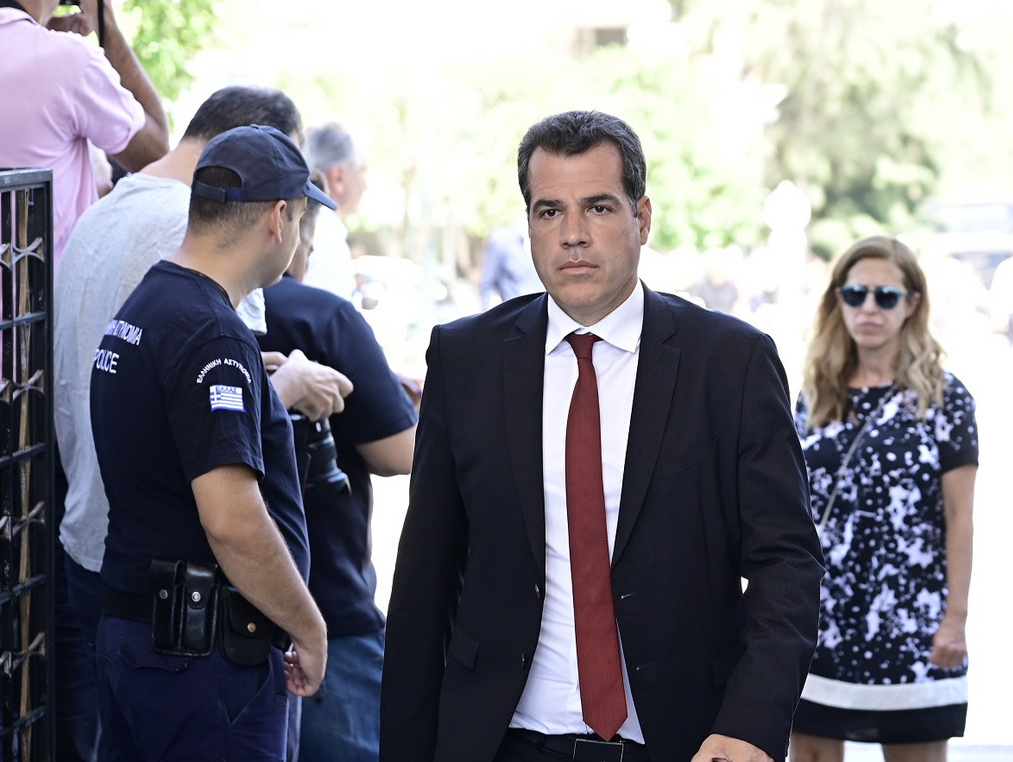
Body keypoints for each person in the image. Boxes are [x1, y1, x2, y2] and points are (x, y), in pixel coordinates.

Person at [381, 109, 824, 762]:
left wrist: (752, 722)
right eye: (550, 211)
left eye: (598, 207)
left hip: (687, 743)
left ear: (642, 219)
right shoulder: (465, 359)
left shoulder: (730, 363)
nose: (573, 235)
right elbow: (424, 581)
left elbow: (786, 562)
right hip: (503, 744)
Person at [53, 86, 351, 760]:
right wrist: (309, 626)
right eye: (303, 217)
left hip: (141, 638)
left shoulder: (149, 304)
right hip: (204, 665)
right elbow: (232, 520)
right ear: (279, 218)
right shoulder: (210, 332)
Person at [789, 236, 979, 762]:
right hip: (820, 620)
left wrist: (955, 619)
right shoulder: (815, 395)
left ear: (912, 304)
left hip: (912, 620)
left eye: (886, 296)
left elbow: (960, 517)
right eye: (855, 294)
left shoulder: (944, 397)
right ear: (838, 300)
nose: (869, 307)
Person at [259, 174, 418, 762]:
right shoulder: (323, 317)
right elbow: (400, 452)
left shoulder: (193, 313)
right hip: (327, 608)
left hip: (219, 618)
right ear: (290, 227)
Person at [0, 0, 168, 262]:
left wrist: (42, 27)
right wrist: (105, 21)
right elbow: (156, 153)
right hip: (47, 286)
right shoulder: (67, 59)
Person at [302, 122, 368, 302]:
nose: (365, 185)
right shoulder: (326, 244)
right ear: (338, 177)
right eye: (362, 172)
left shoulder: (303, 231)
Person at [479, 223, 542, 308]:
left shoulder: (549, 237)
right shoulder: (502, 239)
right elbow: (487, 284)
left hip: (545, 312)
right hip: (515, 312)